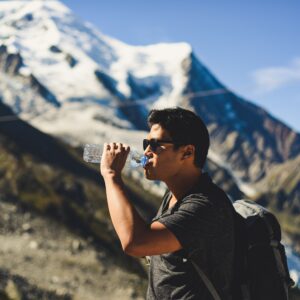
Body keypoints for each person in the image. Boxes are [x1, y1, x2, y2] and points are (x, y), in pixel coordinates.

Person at [100, 107, 235, 299]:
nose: (146, 152)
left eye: (155, 145)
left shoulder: (205, 206)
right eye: (146, 143)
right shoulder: (175, 195)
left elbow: (135, 242)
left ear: (187, 152)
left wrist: (111, 175)